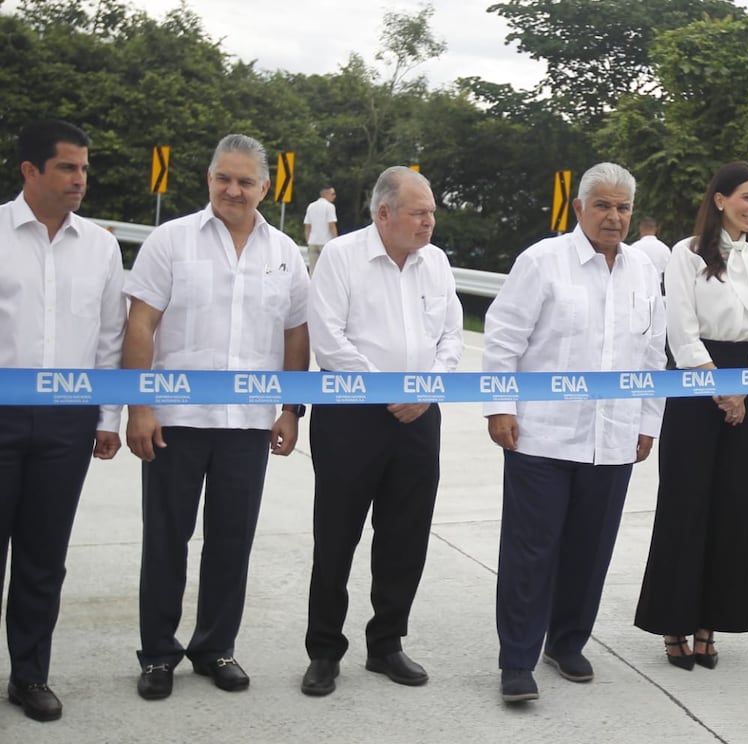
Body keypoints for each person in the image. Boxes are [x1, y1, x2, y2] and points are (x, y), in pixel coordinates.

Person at [123, 134, 310, 701]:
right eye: (223, 178)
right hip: (174, 419)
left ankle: (215, 648)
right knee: (166, 540)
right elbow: (140, 325)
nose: (233, 189)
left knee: (232, 541)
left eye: (246, 181)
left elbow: (295, 333)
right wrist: (140, 405)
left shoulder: (285, 253)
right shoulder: (171, 241)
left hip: (248, 424)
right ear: (208, 179)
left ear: (266, 186)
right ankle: (158, 655)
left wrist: (291, 409)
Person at [483, 162, 665, 703]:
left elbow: (652, 354)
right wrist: (499, 406)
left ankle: (567, 642)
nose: (614, 217)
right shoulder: (542, 261)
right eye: (604, 205)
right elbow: (503, 338)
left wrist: (648, 421)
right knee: (531, 552)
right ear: (579, 207)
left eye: (623, 207)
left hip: (612, 436)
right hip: (541, 434)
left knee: (591, 550)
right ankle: (517, 659)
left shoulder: (642, 271)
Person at [300, 167, 463, 696]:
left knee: (405, 536)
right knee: (337, 537)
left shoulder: (435, 263)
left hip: (419, 416)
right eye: (419, 212)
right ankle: (324, 650)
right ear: (384, 214)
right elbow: (329, 341)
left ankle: (387, 643)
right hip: (351, 415)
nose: (429, 222)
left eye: (432, 211)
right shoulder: (342, 257)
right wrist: (385, 391)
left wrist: (425, 389)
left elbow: (452, 336)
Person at [634, 161, 748, 670]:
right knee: (687, 503)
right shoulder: (687, 254)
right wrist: (722, 388)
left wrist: (747, 384)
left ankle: (709, 623)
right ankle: (674, 622)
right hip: (699, 383)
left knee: (734, 509)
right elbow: (681, 329)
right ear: (720, 199)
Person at [0, 119, 125, 722]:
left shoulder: (100, 246)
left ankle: (30, 676)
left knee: (43, 557)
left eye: (83, 167)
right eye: (67, 168)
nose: (80, 179)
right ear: (30, 171)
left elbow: (109, 338)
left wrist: (107, 416)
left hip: (67, 423)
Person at [629, 216, 672, 292]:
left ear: (641, 229)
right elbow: (670, 272)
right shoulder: (665, 249)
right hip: (660, 290)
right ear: (655, 229)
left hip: (638, 289)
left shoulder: (633, 248)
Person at [304, 185, 338, 272]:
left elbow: (307, 226)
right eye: (333, 194)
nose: (334, 196)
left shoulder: (311, 206)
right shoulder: (330, 207)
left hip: (313, 242)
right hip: (325, 243)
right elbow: (331, 225)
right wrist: (336, 241)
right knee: (326, 270)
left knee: (313, 270)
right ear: (326, 194)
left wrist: (308, 240)